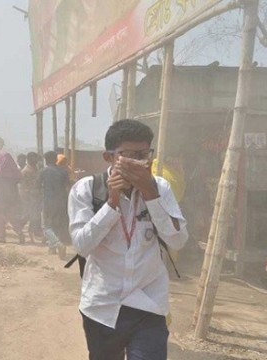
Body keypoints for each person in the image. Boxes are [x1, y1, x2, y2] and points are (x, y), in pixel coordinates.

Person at [68, 119, 188, 360]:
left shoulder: (160, 188)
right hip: (102, 306)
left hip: (149, 304)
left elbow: (177, 241)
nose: (138, 162)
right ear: (109, 157)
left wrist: (150, 194)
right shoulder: (86, 190)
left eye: (143, 154)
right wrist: (112, 202)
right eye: (129, 155)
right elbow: (82, 246)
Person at [39, 151, 70, 258]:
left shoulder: (43, 171)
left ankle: (58, 244)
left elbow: (37, 186)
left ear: (46, 160)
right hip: (61, 201)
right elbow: (67, 186)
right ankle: (51, 248)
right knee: (55, 225)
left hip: (48, 201)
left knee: (46, 226)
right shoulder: (63, 171)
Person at [0, 151, 25, 244]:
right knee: (11, 215)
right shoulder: (15, 171)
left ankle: (1, 236)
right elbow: (20, 179)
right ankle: (20, 232)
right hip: (13, 197)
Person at [19, 152, 42, 242]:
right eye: (33, 159)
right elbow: (24, 187)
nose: (35, 160)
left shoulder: (36, 169)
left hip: (35, 197)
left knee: (34, 216)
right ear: (28, 159)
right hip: (28, 197)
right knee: (28, 215)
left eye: (36, 158)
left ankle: (32, 234)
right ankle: (18, 228)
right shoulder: (26, 171)